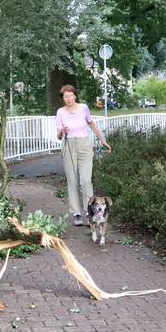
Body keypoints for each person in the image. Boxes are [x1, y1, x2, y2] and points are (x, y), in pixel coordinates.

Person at [56, 84, 112, 226]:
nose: (68, 99)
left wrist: (103, 140)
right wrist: (62, 130)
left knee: (86, 180)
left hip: (84, 145)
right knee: (72, 181)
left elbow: (92, 124)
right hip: (69, 145)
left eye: (70, 95)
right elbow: (58, 136)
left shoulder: (83, 108)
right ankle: (76, 214)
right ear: (63, 98)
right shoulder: (60, 112)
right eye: (65, 96)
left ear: (75, 95)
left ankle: (90, 211)